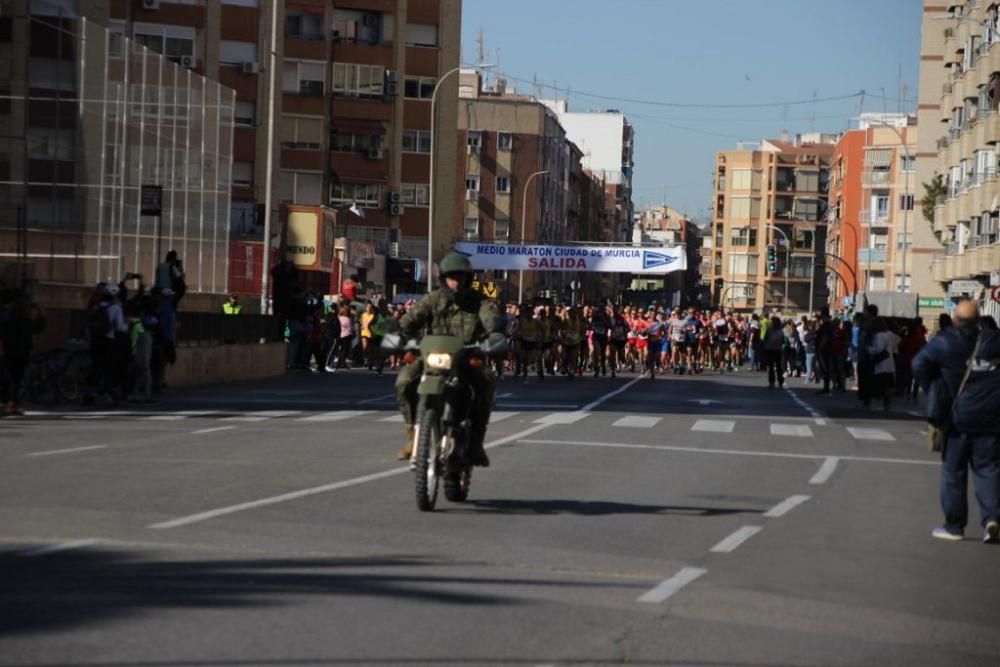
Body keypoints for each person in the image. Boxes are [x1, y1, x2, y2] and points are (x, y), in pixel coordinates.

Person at [393, 252, 502, 466]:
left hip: (466, 357)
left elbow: (492, 320)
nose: (455, 282)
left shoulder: (479, 302)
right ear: (443, 278)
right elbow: (409, 320)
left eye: (460, 277)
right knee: (404, 381)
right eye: (451, 277)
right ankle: (413, 436)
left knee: (486, 382)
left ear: (468, 278)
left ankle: (476, 443)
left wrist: (496, 335)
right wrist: (395, 335)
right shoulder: (432, 300)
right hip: (432, 357)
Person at [912, 300, 1000, 544]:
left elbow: (918, 364)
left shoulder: (945, 341)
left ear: (955, 320)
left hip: (956, 415)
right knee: (988, 469)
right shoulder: (994, 341)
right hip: (991, 417)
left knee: (954, 471)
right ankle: (993, 518)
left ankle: (954, 525)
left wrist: (935, 389)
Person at [0, 288, 46, 416]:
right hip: (18, 352)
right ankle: (10, 405)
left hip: (8, 351)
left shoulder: (6, 314)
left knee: (7, 379)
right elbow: (37, 327)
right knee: (14, 379)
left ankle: (7, 404)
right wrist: (41, 312)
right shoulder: (20, 315)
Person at [763, 315, 785, 389]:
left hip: (770, 349)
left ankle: (772, 382)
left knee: (771, 367)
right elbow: (783, 341)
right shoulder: (780, 331)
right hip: (777, 349)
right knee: (778, 367)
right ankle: (780, 382)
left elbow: (765, 339)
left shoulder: (769, 330)